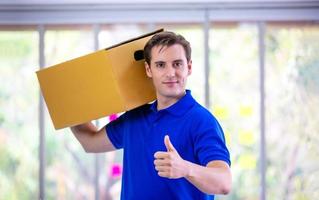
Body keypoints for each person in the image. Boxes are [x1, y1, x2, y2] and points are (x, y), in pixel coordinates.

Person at [71, 31, 231, 200]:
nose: (170, 73)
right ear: (148, 69)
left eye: (177, 64)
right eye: (161, 65)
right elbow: (90, 142)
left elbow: (224, 182)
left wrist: (185, 168)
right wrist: (69, 108)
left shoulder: (201, 121)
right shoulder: (134, 118)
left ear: (189, 67)